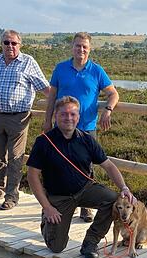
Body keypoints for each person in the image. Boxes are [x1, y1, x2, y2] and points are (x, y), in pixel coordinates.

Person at [27, 96, 134, 258]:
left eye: (72, 114)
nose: (68, 118)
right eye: (63, 114)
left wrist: (124, 188)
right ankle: (47, 222)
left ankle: (90, 243)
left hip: (84, 189)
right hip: (59, 196)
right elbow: (32, 175)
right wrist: (47, 207)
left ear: (78, 117)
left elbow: (109, 165)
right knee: (56, 247)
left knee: (113, 200)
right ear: (55, 115)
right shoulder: (44, 142)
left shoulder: (86, 139)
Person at [43, 31, 120, 223]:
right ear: (72, 47)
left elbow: (113, 93)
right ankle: (58, 202)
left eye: (85, 46)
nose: (81, 49)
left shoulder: (96, 71)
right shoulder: (60, 69)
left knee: (86, 167)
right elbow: (52, 97)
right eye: (78, 46)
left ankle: (86, 207)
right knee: (57, 165)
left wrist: (108, 110)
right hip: (61, 127)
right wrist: (47, 120)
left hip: (86, 127)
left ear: (90, 49)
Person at [0, 29, 49, 210]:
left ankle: (11, 196)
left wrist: (60, 106)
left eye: (14, 43)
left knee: (15, 158)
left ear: (20, 45)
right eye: (6, 43)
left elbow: (45, 87)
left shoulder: (28, 62)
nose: (10, 46)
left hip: (18, 118)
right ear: (1, 44)